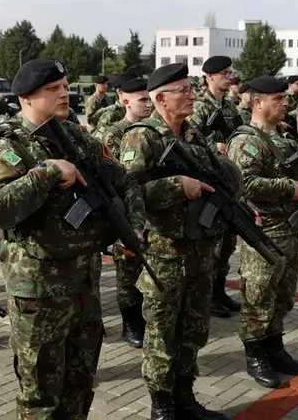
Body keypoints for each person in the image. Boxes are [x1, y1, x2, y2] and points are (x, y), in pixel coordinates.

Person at [0, 59, 145, 420]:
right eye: (53, 89)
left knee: (80, 384)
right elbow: (0, 209)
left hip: (85, 284)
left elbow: (124, 180)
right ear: (25, 98)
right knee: (41, 395)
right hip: (39, 289)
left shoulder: (79, 138)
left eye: (65, 86)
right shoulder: (7, 147)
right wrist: (48, 172)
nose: (65, 93)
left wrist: (135, 225)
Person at [118, 63, 230, 420]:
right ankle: (161, 404)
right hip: (165, 252)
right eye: (183, 90)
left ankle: (185, 395)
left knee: (194, 327)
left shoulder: (193, 134)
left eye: (192, 88)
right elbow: (127, 191)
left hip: (199, 248)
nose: (192, 94)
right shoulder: (141, 136)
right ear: (161, 98)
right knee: (161, 331)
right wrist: (175, 186)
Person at [227, 76, 298, 389]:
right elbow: (243, 185)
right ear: (257, 102)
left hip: (291, 228)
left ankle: (275, 347)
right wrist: (289, 187)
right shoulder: (247, 141)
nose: (286, 102)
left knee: (284, 295)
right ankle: (256, 354)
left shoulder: (284, 136)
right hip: (264, 233)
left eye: (285, 97)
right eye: (278, 98)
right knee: (259, 296)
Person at [93, 76, 152, 348]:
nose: (147, 104)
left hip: (151, 210)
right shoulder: (113, 134)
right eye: (141, 100)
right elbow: (112, 179)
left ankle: (144, 315)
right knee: (127, 270)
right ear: (124, 101)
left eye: (149, 98)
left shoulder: (152, 130)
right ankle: (130, 322)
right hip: (123, 211)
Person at [188, 55, 243, 318]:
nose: (228, 76)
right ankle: (208, 296)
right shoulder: (199, 107)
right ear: (209, 77)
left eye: (229, 72)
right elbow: (187, 142)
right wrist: (214, 148)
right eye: (223, 73)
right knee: (214, 243)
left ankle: (219, 291)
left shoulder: (230, 107)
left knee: (229, 242)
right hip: (209, 180)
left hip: (227, 179)